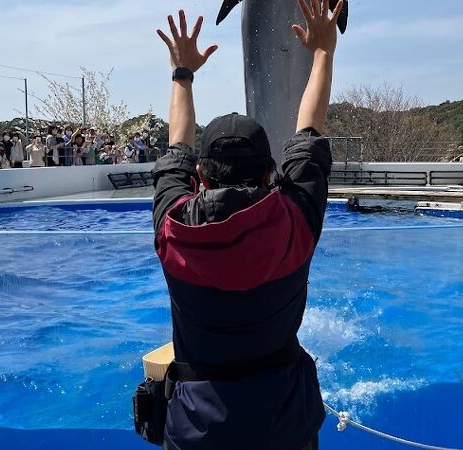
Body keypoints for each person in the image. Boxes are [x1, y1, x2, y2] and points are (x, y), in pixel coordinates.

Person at [152, 3, 343, 450]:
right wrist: (323, 52)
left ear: (200, 176)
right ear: (267, 174)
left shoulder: (174, 230)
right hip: (283, 423)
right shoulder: (294, 221)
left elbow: (176, 146)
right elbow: (309, 135)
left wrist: (183, 73)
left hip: (198, 428)